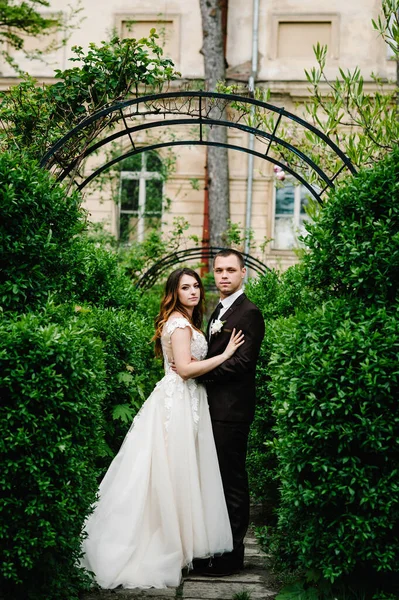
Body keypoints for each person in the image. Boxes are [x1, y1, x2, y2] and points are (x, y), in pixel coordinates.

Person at [80, 267, 245, 589]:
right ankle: (166, 544)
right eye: (186, 288)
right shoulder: (180, 324)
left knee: (179, 472)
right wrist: (225, 355)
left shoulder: (185, 322)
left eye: (196, 286)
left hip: (186, 400)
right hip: (178, 401)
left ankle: (181, 544)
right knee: (172, 471)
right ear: (174, 293)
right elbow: (183, 369)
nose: (194, 292)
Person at [196, 249, 265, 577]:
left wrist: (200, 372)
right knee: (212, 481)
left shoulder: (249, 313)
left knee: (231, 482)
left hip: (231, 412)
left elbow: (242, 362)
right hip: (212, 407)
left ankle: (231, 557)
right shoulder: (219, 310)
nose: (223, 275)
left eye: (230, 270)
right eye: (219, 270)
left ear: (243, 273)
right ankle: (211, 549)